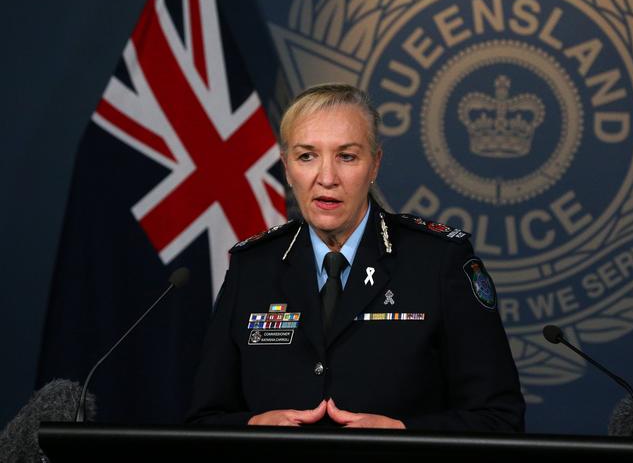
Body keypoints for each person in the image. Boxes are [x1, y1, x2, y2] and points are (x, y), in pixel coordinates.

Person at [186, 83, 525, 431]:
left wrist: (404, 434)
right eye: (307, 156)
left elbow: (499, 418)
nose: (327, 178)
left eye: (346, 156)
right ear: (287, 168)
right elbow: (204, 420)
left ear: (374, 164)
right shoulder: (251, 266)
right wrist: (253, 426)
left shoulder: (439, 261)